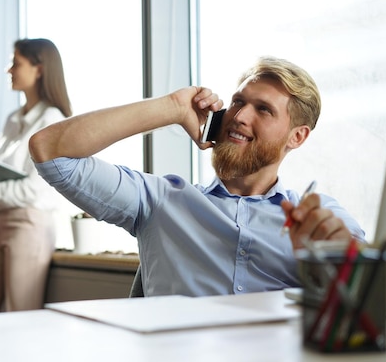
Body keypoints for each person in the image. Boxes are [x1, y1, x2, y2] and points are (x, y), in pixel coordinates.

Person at [29, 56, 365, 297]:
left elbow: (376, 289)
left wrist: (341, 255)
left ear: (297, 137)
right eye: (237, 102)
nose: (240, 116)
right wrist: (173, 107)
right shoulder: (160, 201)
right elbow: (50, 149)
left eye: (263, 109)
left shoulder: (318, 216)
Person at [0, 38, 72, 313]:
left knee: (20, 319)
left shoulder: (52, 119)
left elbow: (35, 190)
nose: (9, 70)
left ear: (39, 69)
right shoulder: (13, 119)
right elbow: (6, 177)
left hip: (29, 225)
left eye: (16, 63)